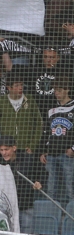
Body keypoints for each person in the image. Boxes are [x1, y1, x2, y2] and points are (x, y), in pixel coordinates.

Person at [0, 73, 43, 154]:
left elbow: (39, 123)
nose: (20, 88)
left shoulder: (29, 100)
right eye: (17, 85)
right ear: (9, 88)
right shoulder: (1, 101)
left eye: (21, 85)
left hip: (25, 148)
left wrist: (32, 145)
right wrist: (0, 139)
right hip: (7, 148)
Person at [0, 136, 43, 234]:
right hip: (7, 208)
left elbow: (40, 172)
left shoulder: (28, 159)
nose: (4, 153)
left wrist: (38, 182)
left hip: (25, 205)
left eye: (6, 149)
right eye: (1, 150)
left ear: (14, 148)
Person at [40, 76, 74, 205]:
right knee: (51, 188)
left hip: (68, 155)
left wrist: (73, 149)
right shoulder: (51, 110)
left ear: (67, 90)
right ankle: (52, 216)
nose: (56, 93)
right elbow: (47, 133)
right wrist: (44, 151)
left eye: (59, 90)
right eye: (55, 91)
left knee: (69, 187)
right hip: (52, 155)